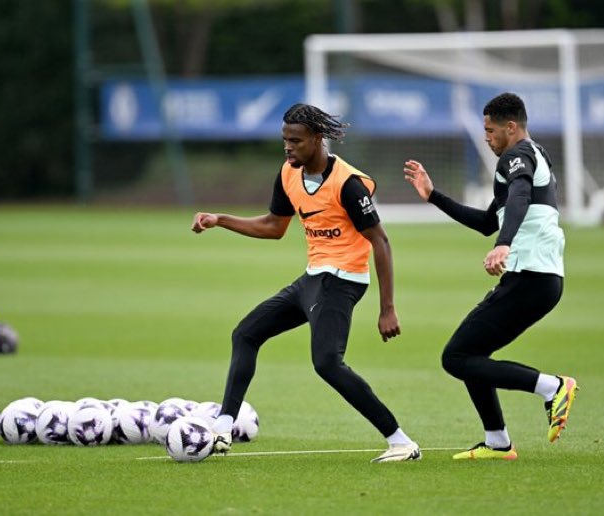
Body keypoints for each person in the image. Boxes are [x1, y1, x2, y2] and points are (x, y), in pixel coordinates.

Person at [192, 103, 420, 463]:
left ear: (317, 139)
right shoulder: (288, 173)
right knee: (246, 333)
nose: (288, 147)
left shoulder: (349, 185)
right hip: (315, 278)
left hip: (343, 280)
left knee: (327, 363)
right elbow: (273, 227)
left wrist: (387, 308)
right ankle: (223, 427)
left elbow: (381, 241)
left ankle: (401, 441)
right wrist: (221, 219)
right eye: (284, 140)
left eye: (295, 141)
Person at [402, 92, 577, 460]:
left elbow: (520, 195)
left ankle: (552, 387)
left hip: (530, 274)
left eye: (490, 130)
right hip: (540, 278)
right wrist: (433, 195)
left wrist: (505, 244)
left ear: (510, 127)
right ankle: (497, 441)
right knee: (471, 353)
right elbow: (486, 222)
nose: (486, 137)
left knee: (457, 356)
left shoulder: (518, 156)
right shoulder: (532, 155)